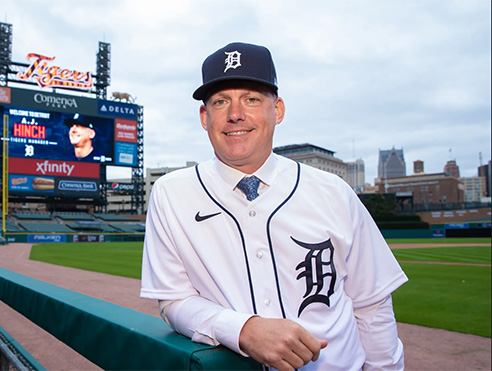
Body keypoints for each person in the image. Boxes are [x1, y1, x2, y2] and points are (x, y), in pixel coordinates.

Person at [140, 42, 408, 371]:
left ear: (277, 110)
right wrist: (243, 329)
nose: (235, 114)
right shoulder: (171, 193)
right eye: (221, 101)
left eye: (251, 99)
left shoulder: (333, 191)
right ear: (204, 117)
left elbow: (372, 306)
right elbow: (173, 300)